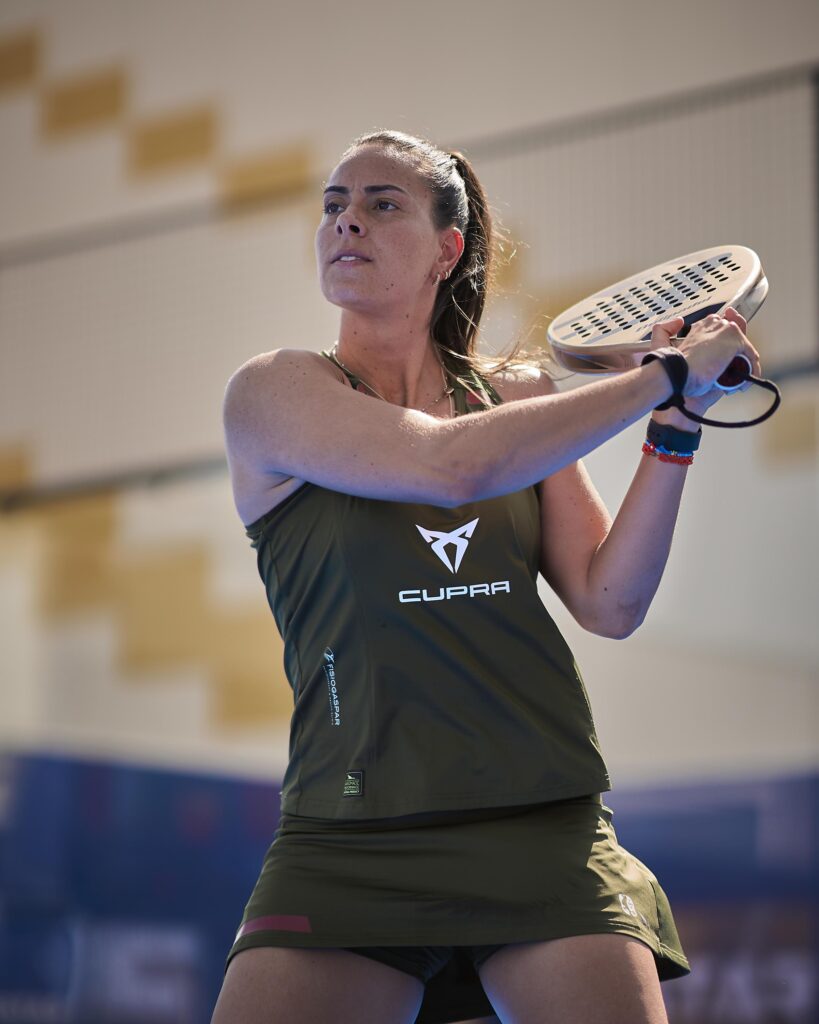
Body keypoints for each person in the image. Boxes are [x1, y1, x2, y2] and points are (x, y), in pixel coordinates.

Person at [211, 129, 761, 1024]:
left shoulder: (518, 401)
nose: (346, 222)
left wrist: (678, 423)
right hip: (347, 833)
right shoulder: (273, 392)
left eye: (381, 204)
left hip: (538, 820)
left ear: (446, 250)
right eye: (334, 205)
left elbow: (609, 601)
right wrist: (663, 375)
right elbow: (448, 467)